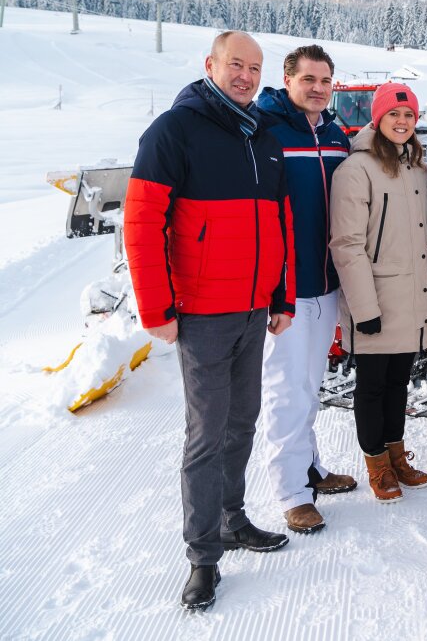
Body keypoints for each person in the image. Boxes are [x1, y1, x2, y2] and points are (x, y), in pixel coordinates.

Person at [124, 31, 295, 611]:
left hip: (252, 310)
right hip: (200, 314)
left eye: (254, 67)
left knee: (242, 421)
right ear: (210, 66)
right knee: (206, 434)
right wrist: (157, 308)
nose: (245, 76)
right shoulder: (176, 130)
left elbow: (279, 225)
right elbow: (142, 222)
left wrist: (281, 296)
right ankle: (202, 558)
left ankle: (231, 518)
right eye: (235, 65)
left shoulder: (263, 137)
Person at [257, 45, 357, 535]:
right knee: (285, 389)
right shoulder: (265, 131)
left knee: (309, 385)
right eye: (309, 80)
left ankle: (309, 468)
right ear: (288, 79)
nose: (318, 89)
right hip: (286, 289)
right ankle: (290, 492)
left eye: (325, 81)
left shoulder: (336, 135)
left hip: (326, 282)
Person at [329, 83, 427, 502]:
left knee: (398, 384)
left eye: (409, 115)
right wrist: (363, 308)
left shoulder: (417, 168)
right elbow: (347, 245)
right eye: (394, 114)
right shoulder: (356, 170)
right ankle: (376, 463)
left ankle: (396, 455)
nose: (402, 122)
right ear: (378, 118)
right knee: (372, 387)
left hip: (409, 297)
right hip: (374, 300)